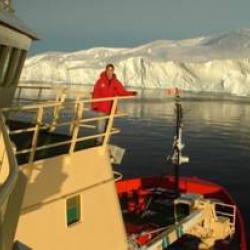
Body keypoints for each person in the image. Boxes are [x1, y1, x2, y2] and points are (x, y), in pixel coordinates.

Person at [92, 64, 137, 144]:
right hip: (101, 108)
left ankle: (105, 142)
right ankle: (98, 141)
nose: (110, 72)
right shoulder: (100, 81)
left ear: (113, 71)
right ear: (106, 70)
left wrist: (131, 93)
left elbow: (122, 92)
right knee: (100, 126)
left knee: (108, 126)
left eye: (111, 70)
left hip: (111, 108)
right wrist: (95, 105)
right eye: (108, 70)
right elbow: (95, 93)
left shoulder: (116, 82)